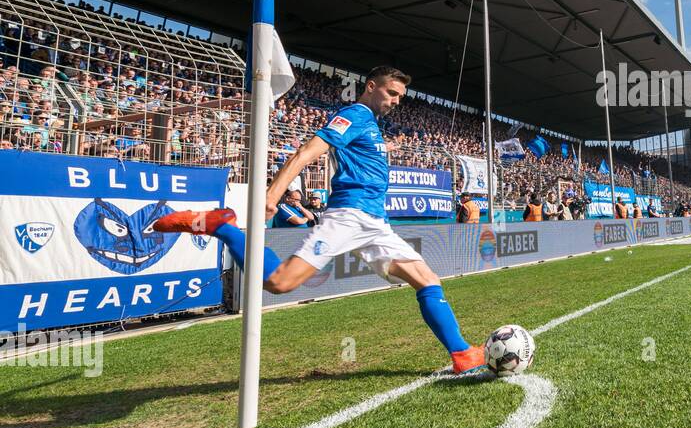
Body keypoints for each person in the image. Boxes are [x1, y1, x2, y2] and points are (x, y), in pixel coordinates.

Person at [156, 66, 486, 374]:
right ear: (371, 87)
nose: (396, 101)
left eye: (400, 96)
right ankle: (222, 227)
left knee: (428, 280)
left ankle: (462, 354)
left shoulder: (369, 123)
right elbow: (305, 152)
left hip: (375, 223)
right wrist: (272, 196)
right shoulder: (354, 114)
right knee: (280, 283)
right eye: (391, 92)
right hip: (349, 216)